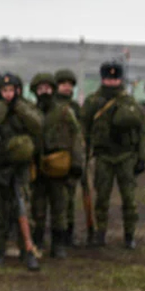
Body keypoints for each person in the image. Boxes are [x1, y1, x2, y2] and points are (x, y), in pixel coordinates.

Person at [0, 73, 42, 270]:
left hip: (19, 166)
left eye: (12, 90)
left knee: (22, 208)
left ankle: (27, 249)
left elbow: (38, 125)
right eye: (4, 91)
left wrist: (18, 107)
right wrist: (1, 108)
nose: (8, 94)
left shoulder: (26, 107)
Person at [80, 61, 145, 249]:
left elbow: (141, 131)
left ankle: (129, 235)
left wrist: (142, 157)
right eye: (109, 79)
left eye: (115, 79)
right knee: (101, 198)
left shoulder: (129, 102)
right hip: (103, 156)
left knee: (129, 199)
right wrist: (84, 156)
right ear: (102, 79)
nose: (112, 82)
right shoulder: (93, 101)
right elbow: (84, 129)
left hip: (126, 156)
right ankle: (100, 233)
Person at [29, 73, 84, 259]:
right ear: (35, 91)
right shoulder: (30, 112)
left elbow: (76, 137)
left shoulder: (64, 112)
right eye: (40, 89)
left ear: (52, 89)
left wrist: (76, 163)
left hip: (59, 166)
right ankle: (37, 242)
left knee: (59, 208)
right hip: (36, 166)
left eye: (47, 88)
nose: (44, 92)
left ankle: (58, 244)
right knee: (38, 208)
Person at [54, 68, 83, 245]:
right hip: (54, 157)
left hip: (71, 156)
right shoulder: (50, 106)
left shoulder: (75, 108)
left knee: (69, 198)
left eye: (69, 85)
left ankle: (68, 234)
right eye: (63, 84)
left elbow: (80, 134)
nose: (66, 88)